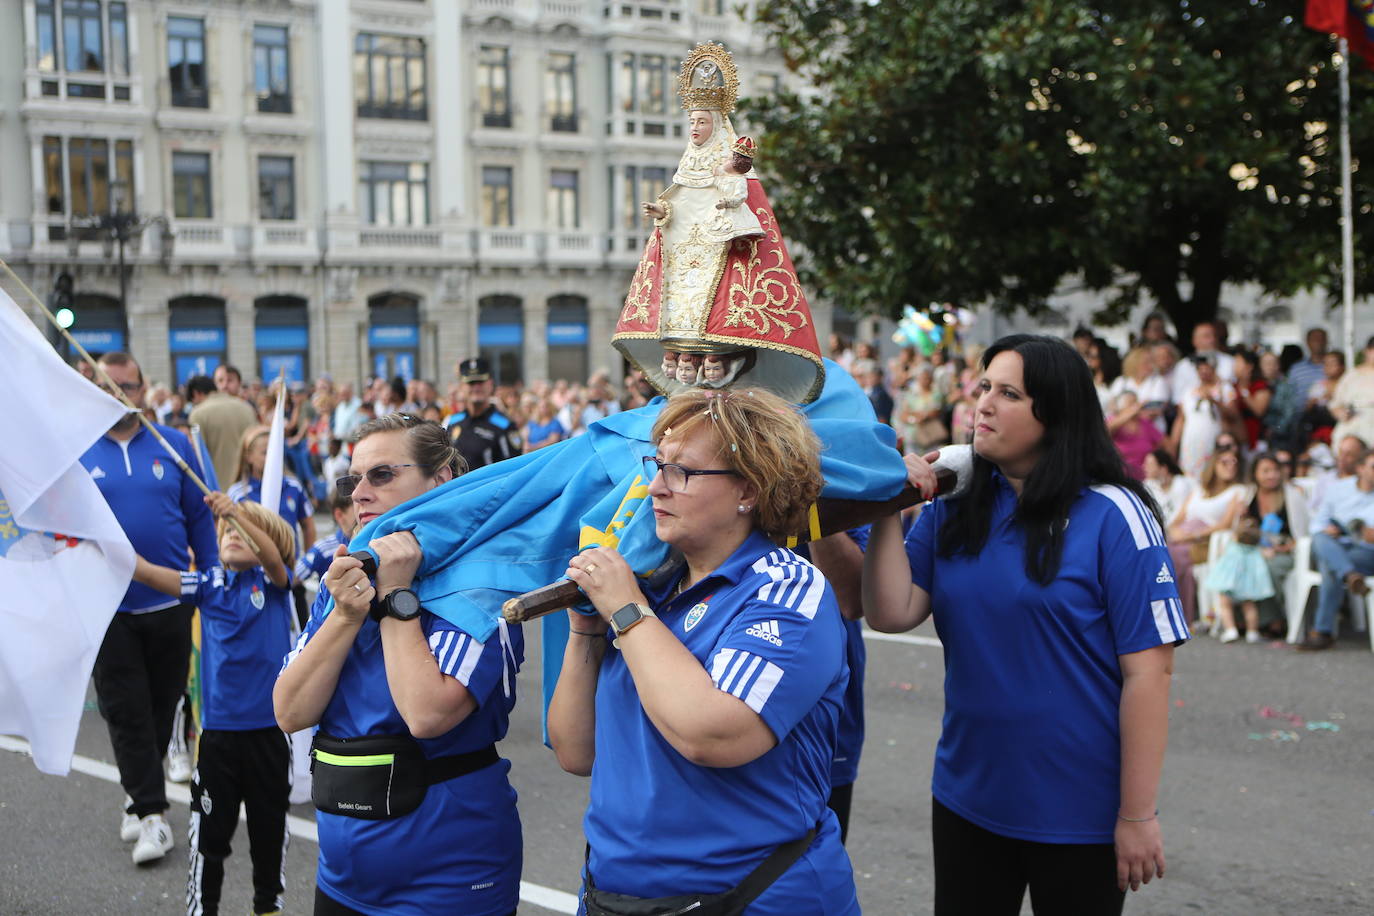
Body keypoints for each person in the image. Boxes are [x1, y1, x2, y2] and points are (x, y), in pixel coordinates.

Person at [861, 334, 1186, 914]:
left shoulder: (1116, 515)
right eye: (983, 386)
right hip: (968, 796)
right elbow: (891, 612)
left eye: (1008, 393)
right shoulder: (957, 504)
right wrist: (889, 503)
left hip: (1080, 812)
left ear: (1056, 413)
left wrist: (1137, 814)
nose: (983, 402)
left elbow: (1150, 676)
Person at [548, 387, 860, 914]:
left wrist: (625, 612)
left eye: (682, 472)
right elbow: (576, 752)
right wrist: (585, 629)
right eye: (656, 465)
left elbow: (714, 734)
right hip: (613, 894)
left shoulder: (783, 587)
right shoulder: (648, 588)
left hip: (751, 897)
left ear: (750, 489)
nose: (653, 488)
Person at [274, 414, 523, 915]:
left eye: (382, 475)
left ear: (441, 480)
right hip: (342, 874)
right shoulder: (345, 577)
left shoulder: (480, 583)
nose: (359, 494)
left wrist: (395, 593)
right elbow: (290, 711)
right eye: (352, 480)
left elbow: (427, 715)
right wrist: (345, 614)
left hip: (448, 877)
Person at [79, 351, 221, 865]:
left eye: (128, 385)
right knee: (125, 711)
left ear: (143, 389)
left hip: (170, 602)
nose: (120, 394)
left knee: (163, 708)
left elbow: (201, 519)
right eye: (108, 385)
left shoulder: (173, 443)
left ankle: (139, 794)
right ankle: (152, 814)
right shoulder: (74, 450)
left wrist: (211, 574)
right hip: (105, 609)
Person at [131, 495, 296, 916]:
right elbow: (149, 572)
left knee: (269, 835)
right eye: (226, 531)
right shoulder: (207, 586)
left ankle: (267, 907)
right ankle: (203, 909)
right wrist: (109, 551)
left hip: (269, 738)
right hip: (219, 740)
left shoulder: (276, 585)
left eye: (241, 530)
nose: (231, 534)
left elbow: (273, 559)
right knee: (209, 840)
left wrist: (235, 513)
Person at [1298, 447, 1374, 650]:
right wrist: (1329, 529)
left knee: (1330, 564)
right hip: (1337, 545)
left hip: (1366, 552)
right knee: (1321, 539)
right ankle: (1349, 575)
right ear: (1360, 469)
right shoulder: (1338, 489)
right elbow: (1316, 524)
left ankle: (1322, 631)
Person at [1167, 450, 1248, 625]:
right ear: (1213, 465)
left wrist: (1191, 536)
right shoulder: (1198, 490)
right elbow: (1177, 519)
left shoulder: (1237, 491)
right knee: (1160, 554)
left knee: (1171, 557)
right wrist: (1175, 533)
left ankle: (1176, 613)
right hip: (1182, 538)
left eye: (1234, 462)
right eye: (1225, 462)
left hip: (1207, 541)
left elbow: (1225, 524)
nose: (1231, 466)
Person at [1242, 452, 1308, 639]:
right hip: (1255, 548)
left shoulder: (1292, 496)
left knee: (1269, 567)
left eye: (1275, 470)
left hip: (1286, 551)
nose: (1272, 475)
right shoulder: (1249, 496)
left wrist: (1282, 549)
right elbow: (1241, 530)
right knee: (1239, 562)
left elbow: (1302, 535)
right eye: (1265, 471)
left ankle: (1275, 620)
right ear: (1255, 473)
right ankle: (1244, 619)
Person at [445, 357, 522, 469]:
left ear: (490, 385)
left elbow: (513, 469)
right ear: (461, 387)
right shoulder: (451, 422)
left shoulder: (504, 426)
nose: (476, 388)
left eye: (480, 382)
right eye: (471, 383)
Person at [1171, 353, 1238, 476]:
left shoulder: (1225, 389)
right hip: (1191, 442)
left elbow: (1233, 415)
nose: (1204, 372)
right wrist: (1174, 445)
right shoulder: (1188, 391)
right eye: (1200, 369)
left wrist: (1214, 401)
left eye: (1207, 368)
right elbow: (1180, 419)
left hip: (1214, 439)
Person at [189, 372, 259, 485]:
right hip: (247, 486)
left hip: (218, 488)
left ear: (196, 394)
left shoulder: (198, 413)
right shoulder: (246, 408)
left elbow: (197, 457)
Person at [1328, 336, 1374, 450]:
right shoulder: (1352, 375)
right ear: (1367, 351)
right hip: (1354, 423)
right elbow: (1335, 403)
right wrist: (1341, 413)